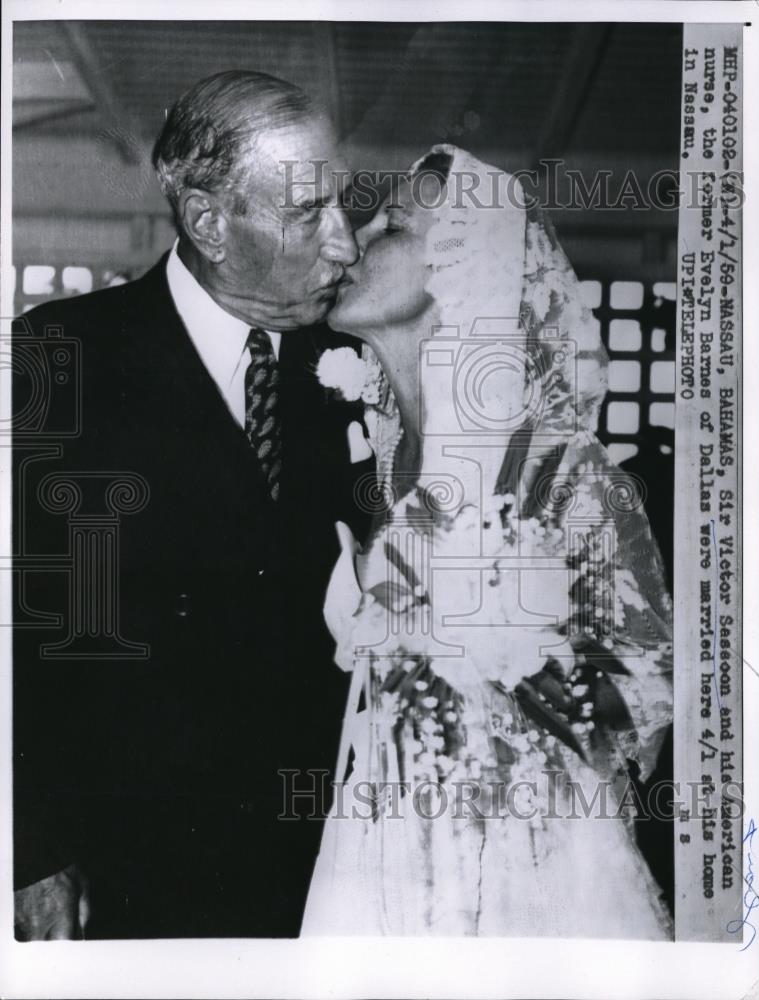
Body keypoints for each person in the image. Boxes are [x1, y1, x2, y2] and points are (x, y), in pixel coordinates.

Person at [12, 70, 371, 939]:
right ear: (210, 222)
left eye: (343, 207)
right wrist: (30, 852)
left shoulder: (360, 370)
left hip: (320, 865)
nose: (346, 246)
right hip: (127, 863)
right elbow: (26, 627)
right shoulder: (65, 355)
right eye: (307, 214)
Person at [302, 146, 674, 937]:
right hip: (378, 851)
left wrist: (555, 679)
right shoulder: (356, 458)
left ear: (464, 268)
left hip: (528, 868)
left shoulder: (567, 473)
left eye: (393, 221)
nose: (355, 238)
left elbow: (653, 683)